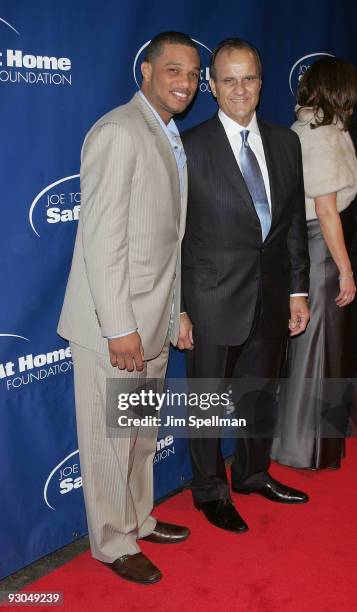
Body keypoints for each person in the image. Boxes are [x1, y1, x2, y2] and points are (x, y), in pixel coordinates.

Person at [57, 31, 200, 585]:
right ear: (145, 70)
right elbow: (102, 239)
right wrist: (119, 326)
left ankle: (138, 518)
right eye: (173, 71)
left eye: (192, 74)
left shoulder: (166, 132)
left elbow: (168, 240)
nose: (185, 83)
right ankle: (114, 542)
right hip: (113, 326)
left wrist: (176, 312)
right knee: (110, 443)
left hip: (154, 317)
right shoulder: (119, 131)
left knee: (139, 435)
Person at [181, 37, 310, 534]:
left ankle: (254, 473)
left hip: (273, 294)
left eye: (249, 78)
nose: (240, 89)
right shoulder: (189, 148)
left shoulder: (286, 141)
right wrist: (179, 308)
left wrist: (297, 289)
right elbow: (173, 237)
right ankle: (210, 490)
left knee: (260, 394)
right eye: (228, 79)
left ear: (261, 81)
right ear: (211, 87)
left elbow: (293, 222)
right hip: (211, 299)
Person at [272, 57, 357, 469]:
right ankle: (306, 448)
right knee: (320, 349)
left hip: (304, 247)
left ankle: (303, 443)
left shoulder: (302, 128)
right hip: (321, 248)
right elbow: (326, 210)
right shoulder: (325, 134)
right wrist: (346, 268)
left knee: (309, 348)